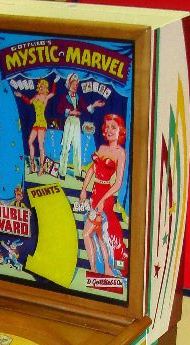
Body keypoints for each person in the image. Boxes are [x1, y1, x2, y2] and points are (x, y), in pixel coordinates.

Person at [79, 113, 128, 274]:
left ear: (120, 130)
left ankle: (94, 269)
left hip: (105, 196)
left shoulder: (120, 153)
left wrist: (103, 199)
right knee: (100, 236)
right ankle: (106, 268)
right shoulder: (101, 148)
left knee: (87, 233)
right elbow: (92, 170)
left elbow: (118, 183)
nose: (109, 130)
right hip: (95, 194)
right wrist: (84, 189)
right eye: (107, 127)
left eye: (113, 127)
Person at [57, 74, 105, 180]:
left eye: (76, 85)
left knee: (77, 147)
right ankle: (62, 173)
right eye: (73, 84)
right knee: (66, 147)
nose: (75, 86)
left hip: (77, 122)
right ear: (69, 85)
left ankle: (78, 174)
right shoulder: (64, 97)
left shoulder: (79, 98)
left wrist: (94, 105)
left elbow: (86, 108)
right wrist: (70, 112)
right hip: (69, 122)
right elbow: (59, 109)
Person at [14, 77, 57, 175]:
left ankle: (41, 167)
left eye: (43, 86)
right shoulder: (36, 96)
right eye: (40, 86)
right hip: (36, 123)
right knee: (30, 142)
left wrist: (54, 82)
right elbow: (29, 102)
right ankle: (32, 163)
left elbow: (53, 93)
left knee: (41, 145)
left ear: (46, 88)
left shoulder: (46, 97)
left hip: (42, 123)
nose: (41, 88)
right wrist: (21, 95)